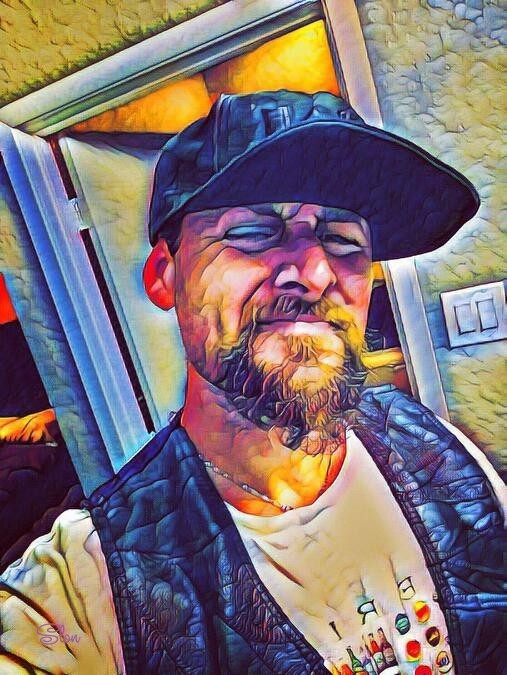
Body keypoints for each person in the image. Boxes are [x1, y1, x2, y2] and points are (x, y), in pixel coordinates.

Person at [0, 90, 504, 675]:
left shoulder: (430, 440)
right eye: (254, 231)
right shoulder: (88, 583)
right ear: (165, 276)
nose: (315, 273)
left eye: (344, 241)